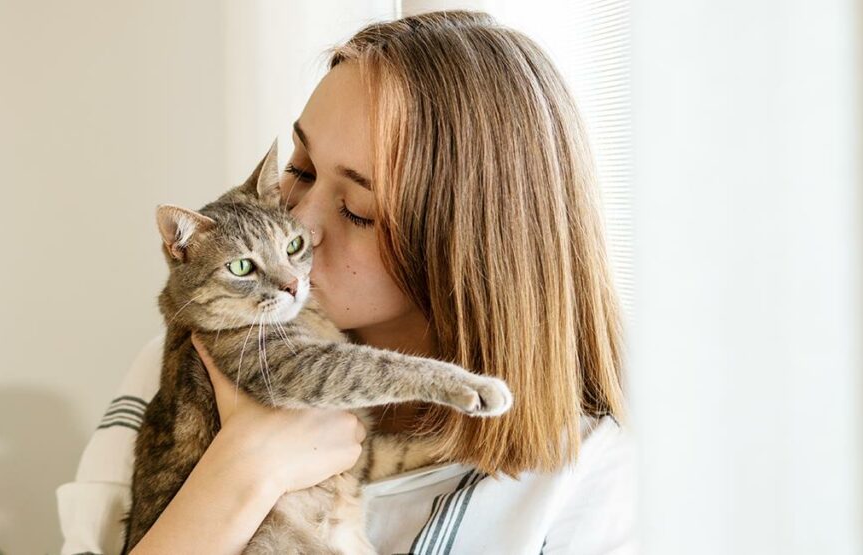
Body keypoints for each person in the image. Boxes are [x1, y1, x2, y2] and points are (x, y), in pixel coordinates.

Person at [56, 9, 636, 555]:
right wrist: (241, 470)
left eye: (357, 209)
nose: (298, 227)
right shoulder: (185, 361)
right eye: (300, 169)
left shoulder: (580, 477)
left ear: (467, 248)